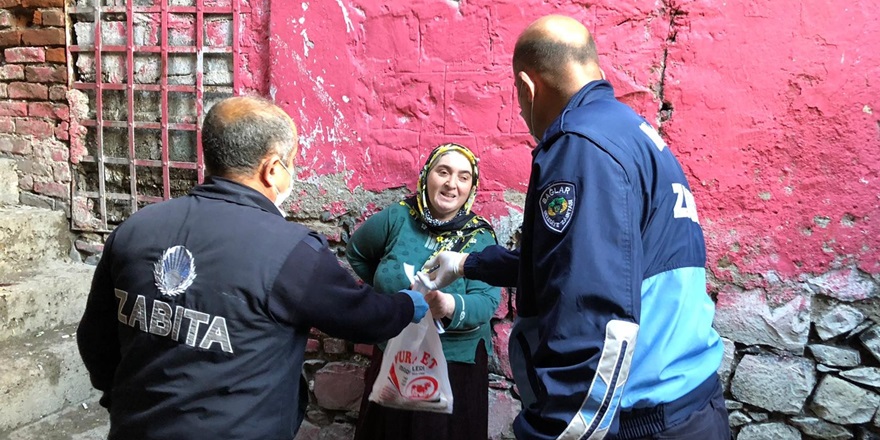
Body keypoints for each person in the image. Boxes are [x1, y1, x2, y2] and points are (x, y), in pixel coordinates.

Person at [423, 15, 731, 440]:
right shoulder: (631, 132)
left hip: (644, 419)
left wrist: (553, 432)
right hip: (692, 404)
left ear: (527, 88)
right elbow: (573, 258)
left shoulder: (580, 147)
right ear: (595, 70)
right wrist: (466, 264)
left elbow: (592, 312)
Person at [76, 96, 429, 440]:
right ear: (272, 169)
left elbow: (95, 342)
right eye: (291, 162)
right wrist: (408, 304)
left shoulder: (135, 229)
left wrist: (122, 402)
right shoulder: (293, 251)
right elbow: (363, 318)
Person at [346, 143, 501, 440]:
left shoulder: (480, 237)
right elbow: (357, 253)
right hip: (395, 352)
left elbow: (487, 302)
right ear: (427, 175)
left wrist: (448, 306)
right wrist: (388, 297)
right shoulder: (398, 218)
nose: (451, 184)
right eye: (443, 172)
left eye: (463, 177)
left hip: (453, 365)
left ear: (471, 187)